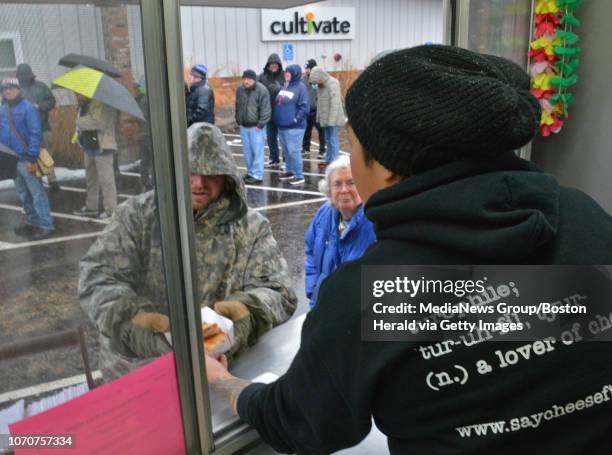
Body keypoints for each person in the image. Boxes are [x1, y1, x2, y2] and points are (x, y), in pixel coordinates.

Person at [204, 45, 612, 454]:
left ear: (385, 166)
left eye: (353, 145)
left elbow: (300, 422)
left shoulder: (375, 295)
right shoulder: (585, 215)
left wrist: (221, 382)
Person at [79, 122, 297, 381]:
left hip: (217, 373)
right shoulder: (138, 216)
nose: (199, 183)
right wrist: (136, 321)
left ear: (227, 176)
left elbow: (278, 291)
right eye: (190, 171)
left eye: (212, 173)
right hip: (138, 376)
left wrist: (243, 312)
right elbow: (97, 279)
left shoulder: (250, 227)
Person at [305, 156, 375, 308]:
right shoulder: (324, 214)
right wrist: (313, 291)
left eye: (351, 182)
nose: (344, 190)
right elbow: (310, 251)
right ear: (329, 191)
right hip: (321, 308)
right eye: (337, 184)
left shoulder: (375, 222)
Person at [0, 78, 54, 239]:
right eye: (4, 89)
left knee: (37, 193)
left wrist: (32, 155)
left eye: (11, 88)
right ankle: (31, 221)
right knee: (23, 193)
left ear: (18, 90)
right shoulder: (3, 109)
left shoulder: (28, 108)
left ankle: (46, 224)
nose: (8, 91)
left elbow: (35, 133)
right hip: (10, 159)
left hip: (26, 158)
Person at [71, 94, 118, 220]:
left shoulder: (102, 102)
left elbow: (98, 122)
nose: (77, 96)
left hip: (103, 145)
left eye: (78, 93)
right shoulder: (84, 105)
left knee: (106, 180)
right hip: (89, 145)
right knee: (91, 179)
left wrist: (79, 122)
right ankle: (91, 207)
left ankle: (111, 210)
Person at [16, 63, 59, 190]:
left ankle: (49, 180)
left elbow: (51, 101)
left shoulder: (38, 87)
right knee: (44, 156)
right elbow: (51, 101)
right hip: (34, 131)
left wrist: (39, 106)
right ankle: (49, 180)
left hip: (40, 129)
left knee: (40, 156)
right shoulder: (18, 90)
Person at [273, 64, 309, 186]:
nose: (286, 74)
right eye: (286, 72)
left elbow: (305, 108)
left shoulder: (301, 88)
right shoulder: (285, 86)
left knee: (293, 151)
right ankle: (289, 172)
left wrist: (295, 120)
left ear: (295, 74)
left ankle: (299, 175)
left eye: (289, 72)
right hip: (282, 126)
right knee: (286, 151)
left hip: (295, 127)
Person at [235, 69, 271, 185]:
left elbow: (266, 109)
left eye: (249, 79)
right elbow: (237, 105)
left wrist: (260, 125)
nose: (246, 81)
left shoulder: (262, 90)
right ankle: (250, 173)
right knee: (247, 152)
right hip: (244, 126)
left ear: (254, 79)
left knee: (257, 151)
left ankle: (257, 175)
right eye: (244, 79)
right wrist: (238, 120)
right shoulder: (240, 90)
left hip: (256, 127)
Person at [309, 66, 346, 169]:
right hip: (325, 119)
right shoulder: (321, 86)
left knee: (333, 140)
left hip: (333, 119)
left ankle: (334, 163)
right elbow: (320, 104)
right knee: (328, 139)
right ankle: (329, 160)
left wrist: (332, 120)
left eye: (317, 81)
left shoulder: (332, 83)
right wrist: (319, 118)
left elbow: (335, 103)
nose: (316, 84)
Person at [258, 53, 285, 167]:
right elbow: (257, 92)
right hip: (268, 112)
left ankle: (286, 159)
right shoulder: (262, 77)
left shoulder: (284, 76)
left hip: (282, 111)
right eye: (272, 64)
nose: (274, 66)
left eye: (276, 64)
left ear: (279, 65)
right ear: (268, 65)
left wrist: (281, 88)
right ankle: (273, 158)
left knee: (284, 138)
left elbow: (290, 90)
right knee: (271, 138)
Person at [301, 59, 326, 157]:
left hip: (317, 110)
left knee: (321, 130)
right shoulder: (303, 80)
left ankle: (322, 150)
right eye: (306, 68)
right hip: (307, 110)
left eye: (309, 68)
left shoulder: (320, 79)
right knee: (307, 130)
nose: (307, 70)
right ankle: (306, 148)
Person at [134, 76, 152, 191]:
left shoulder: (137, 100)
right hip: (149, 134)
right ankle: (153, 183)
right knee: (153, 159)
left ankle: (144, 181)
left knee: (144, 160)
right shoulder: (147, 100)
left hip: (142, 134)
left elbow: (139, 119)